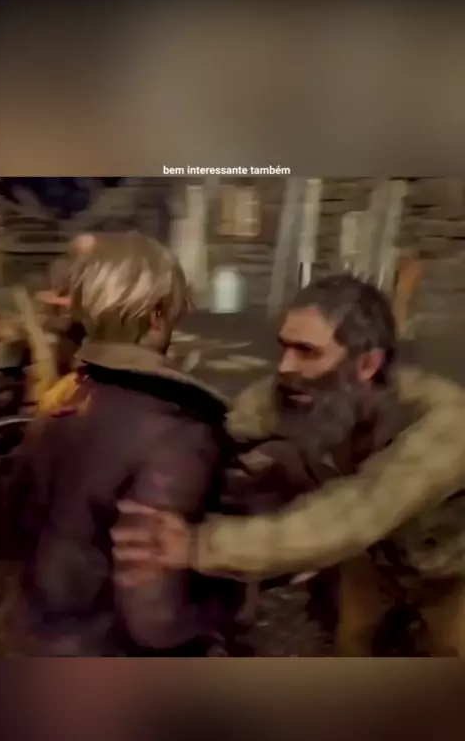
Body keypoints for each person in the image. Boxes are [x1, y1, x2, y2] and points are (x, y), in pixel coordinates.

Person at [111, 274, 465, 656]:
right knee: (353, 644)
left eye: (307, 352)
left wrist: (200, 545)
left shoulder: (447, 422)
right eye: (286, 348)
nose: (284, 367)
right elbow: (225, 429)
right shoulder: (297, 392)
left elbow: (356, 512)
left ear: (367, 364)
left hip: (452, 572)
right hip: (374, 562)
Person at [0, 232, 243, 656]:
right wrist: (222, 609)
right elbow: (153, 619)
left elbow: (7, 534)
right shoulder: (178, 431)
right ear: (158, 315)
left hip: (23, 640)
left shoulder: (62, 399)